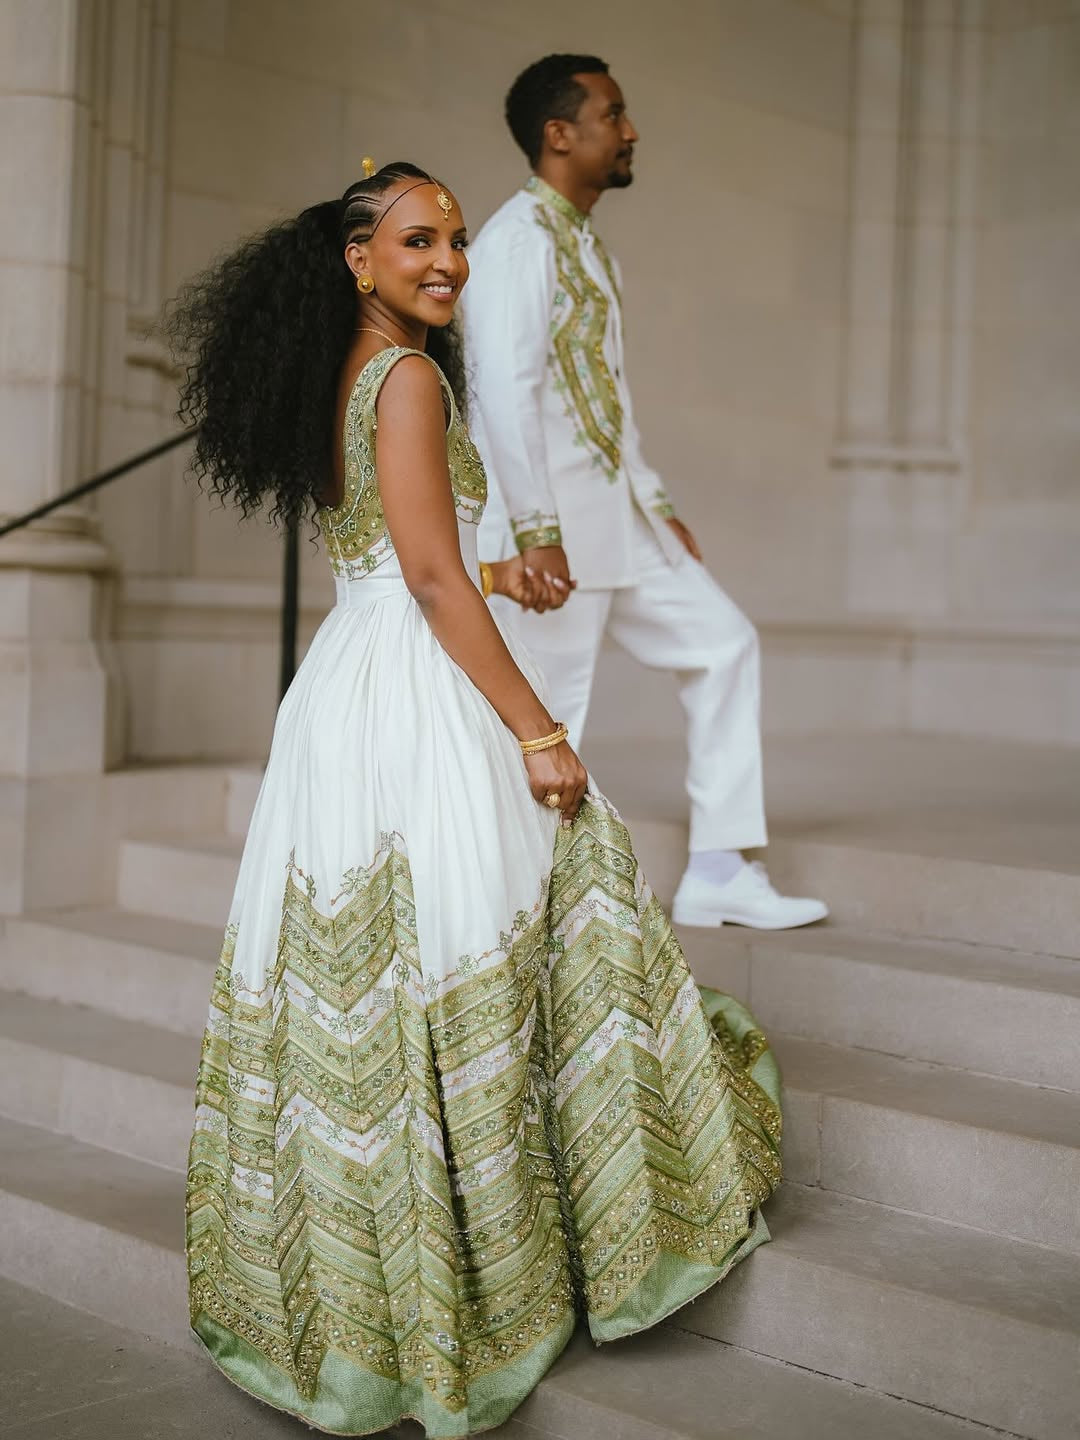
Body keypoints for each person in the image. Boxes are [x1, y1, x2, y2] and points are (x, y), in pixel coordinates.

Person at [167, 160, 782, 1439]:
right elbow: (431, 590)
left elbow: (401, 560)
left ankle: (372, 1280)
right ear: (356, 257)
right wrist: (539, 726)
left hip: (345, 686)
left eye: (453, 238)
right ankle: (496, 1269)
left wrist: (495, 565)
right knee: (484, 916)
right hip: (416, 695)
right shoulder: (408, 378)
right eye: (416, 240)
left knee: (393, 965)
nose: (446, 259)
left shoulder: (352, 370)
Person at [463, 54, 828, 931]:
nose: (629, 133)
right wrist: (538, 531)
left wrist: (656, 502)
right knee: (557, 713)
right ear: (560, 135)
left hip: (620, 522)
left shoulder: (585, 244)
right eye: (613, 115)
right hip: (549, 538)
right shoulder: (513, 244)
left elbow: (603, 393)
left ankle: (717, 869)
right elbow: (504, 394)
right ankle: (522, 916)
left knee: (725, 643)